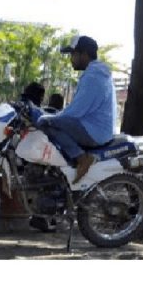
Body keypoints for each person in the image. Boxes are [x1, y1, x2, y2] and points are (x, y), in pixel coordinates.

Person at [37, 35, 116, 183]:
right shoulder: (98, 73)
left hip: (94, 132)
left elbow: (75, 112)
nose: (71, 59)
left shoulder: (92, 77)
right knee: (52, 120)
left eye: (73, 54)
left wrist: (50, 117)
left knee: (44, 122)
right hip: (99, 129)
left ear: (84, 54)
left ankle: (82, 158)